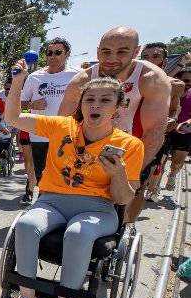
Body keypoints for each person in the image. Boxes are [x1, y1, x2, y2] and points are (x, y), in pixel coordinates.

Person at [3, 59, 143, 298]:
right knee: (27, 224)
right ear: (82, 104)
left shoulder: (130, 145)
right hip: (53, 200)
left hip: (98, 207)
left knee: (78, 233)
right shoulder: (61, 127)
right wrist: (18, 83)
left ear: (118, 107)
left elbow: (122, 199)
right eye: (90, 99)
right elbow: (14, 118)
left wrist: (117, 171)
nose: (96, 105)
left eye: (105, 100)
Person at [59, 27, 171, 223]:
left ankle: (127, 226)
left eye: (121, 52)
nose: (112, 58)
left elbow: (153, 133)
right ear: (97, 51)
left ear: (136, 52)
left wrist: (126, 174)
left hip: (134, 147)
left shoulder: (151, 79)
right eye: (106, 52)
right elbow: (63, 126)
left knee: (127, 198)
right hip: (89, 149)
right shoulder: (83, 80)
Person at [21, 37, 80, 191]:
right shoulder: (34, 77)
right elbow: (21, 105)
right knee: (42, 175)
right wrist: (33, 105)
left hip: (68, 135)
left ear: (67, 54)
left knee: (67, 174)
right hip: (40, 134)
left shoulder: (78, 76)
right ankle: (44, 203)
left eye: (58, 52)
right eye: (49, 53)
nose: (52, 56)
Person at [141, 43, 184, 201]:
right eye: (145, 57)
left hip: (155, 135)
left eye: (155, 56)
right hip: (131, 133)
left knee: (145, 174)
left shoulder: (174, 85)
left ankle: (130, 221)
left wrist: (172, 118)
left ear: (164, 62)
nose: (150, 60)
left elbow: (175, 108)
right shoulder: (132, 80)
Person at [165, 68, 191, 191]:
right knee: (162, 159)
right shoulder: (168, 92)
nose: (188, 83)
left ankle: (172, 175)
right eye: (186, 80)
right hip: (166, 130)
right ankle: (154, 185)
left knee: (177, 161)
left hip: (185, 132)